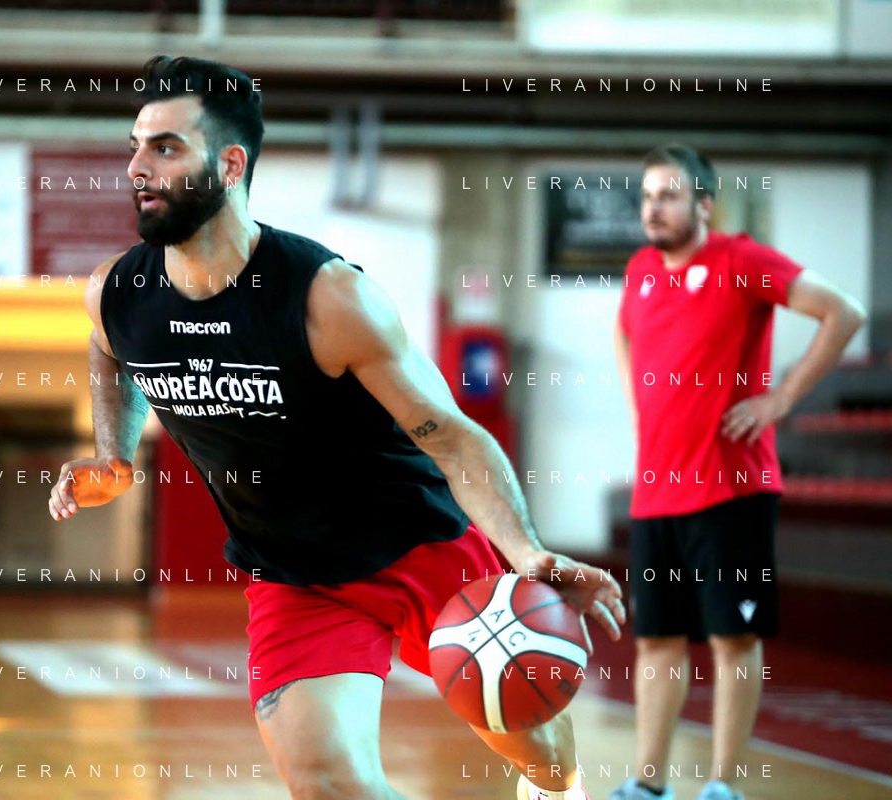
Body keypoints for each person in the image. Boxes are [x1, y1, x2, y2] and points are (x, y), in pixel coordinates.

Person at [47, 55, 626, 800]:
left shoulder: (327, 299)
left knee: (534, 736)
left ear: (230, 165)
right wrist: (114, 457)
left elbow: (455, 437)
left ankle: (557, 789)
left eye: (165, 148)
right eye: (135, 146)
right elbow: (109, 349)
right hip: (293, 575)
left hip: (419, 545)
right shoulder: (117, 293)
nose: (137, 167)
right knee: (326, 784)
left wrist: (526, 552)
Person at [610, 144, 867, 800]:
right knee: (657, 642)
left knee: (731, 638)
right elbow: (624, 334)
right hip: (655, 494)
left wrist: (780, 399)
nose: (653, 208)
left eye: (668, 195)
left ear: (704, 204)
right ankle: (647, 784)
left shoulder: (742, 261)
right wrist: (638, 409)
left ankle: (723, 786)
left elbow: (844, 312)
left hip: (731, 491)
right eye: (647, 197)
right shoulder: (640, 270)